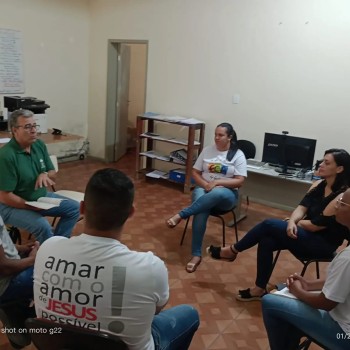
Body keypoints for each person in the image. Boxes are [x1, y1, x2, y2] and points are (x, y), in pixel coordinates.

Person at [34, 168, 200, 350]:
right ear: (130, 213)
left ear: (82, 208)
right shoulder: (150, 268)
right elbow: (155, 311)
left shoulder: (47, 249)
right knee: (190, 314)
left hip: (61, 344)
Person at [207, 148, 350, 300]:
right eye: (322, 161)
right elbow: (301, 208)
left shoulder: (342, 195)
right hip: (303, 234)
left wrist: (293, 222)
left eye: (326, 163)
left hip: (321, 244)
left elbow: (316, 225)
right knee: (267, 240)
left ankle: (232, 250)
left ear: (340, 169)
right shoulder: (318, 184)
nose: (321, 164)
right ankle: (259, 289)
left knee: (269, 224)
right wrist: (292, 222)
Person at [261, 188, 350, 350]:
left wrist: (299, 292)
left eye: (342, 203)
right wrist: (309, 285)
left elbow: (326, 303)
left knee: (270, 301)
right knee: (284, 297)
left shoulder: (347, 257)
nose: (336, 205)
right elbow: (342, 280)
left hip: (344, 334)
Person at [166, 123, 247, 273]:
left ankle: (181, 215)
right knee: (201, 208)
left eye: (220, 135)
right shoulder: (207, 150)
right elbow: (195, 172)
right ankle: (196, 255)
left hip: (226, 195)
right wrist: (205, 184)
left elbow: (240, 181)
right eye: (215, 134)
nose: (216, 138)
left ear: (229, 137)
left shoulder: (238, 154)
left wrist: (217, 182)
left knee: (216, 193)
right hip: (204, 189)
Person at [0, 109, 80, 243]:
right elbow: (5, 196)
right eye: (27, 127)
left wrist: (44, 174)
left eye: (34, 126)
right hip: (11, 205)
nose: (33, 130)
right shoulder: (6, 156)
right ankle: (49, 256)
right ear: (15, 130)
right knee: (43, 226)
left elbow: (52, 173)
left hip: (39, 199)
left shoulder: (38, 145)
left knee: (74, 208)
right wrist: (29, 207)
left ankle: (57, 246)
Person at [0, 215, 39, 348]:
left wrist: (20, 248)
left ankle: (15, 315)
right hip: (6, 280)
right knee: (52, 275)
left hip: (7, 270)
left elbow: (2, 243)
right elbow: (4, 268)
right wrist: (33, 259)